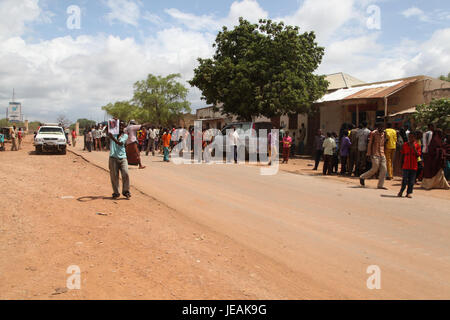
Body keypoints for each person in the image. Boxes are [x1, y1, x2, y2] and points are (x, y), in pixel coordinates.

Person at [359, 124, 388, 189]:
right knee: (375, 168)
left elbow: (384, 143)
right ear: (378, 128)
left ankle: (380, 185)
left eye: (382, 127)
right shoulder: (373, 133)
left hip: (382, 153)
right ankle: (362, 177)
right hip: (375, 153)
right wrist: (368, 154)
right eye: (380, 127)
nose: (381, 128)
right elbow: (370, 143)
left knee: (384, 169)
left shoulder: (384, 134)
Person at [108, 121, 131, 199]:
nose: (121, 127)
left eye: (122, 126)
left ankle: (126, 191)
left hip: (123, 158)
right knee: (114, 176)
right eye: (119, 125)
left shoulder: (125, 135)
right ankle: (116, 192)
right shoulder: (113, 133)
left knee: (126, 173)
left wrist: (112, 138)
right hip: (113, 157)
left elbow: (120, 143)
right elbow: (108, 131)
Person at [398, 133, 421, 198]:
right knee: (404, 180)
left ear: (414, 138)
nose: (410, 138)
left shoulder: (417, 145)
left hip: (413, 166)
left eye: (412, 137)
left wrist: (414, 148)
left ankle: (409, 192)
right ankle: (401, 191)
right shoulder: (405, 145)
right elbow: (402, 155)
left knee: (411, 181)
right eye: (409, 137)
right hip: (406, 165)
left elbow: (418, 155)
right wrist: (400, 164)